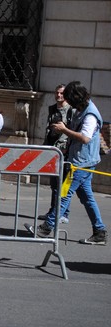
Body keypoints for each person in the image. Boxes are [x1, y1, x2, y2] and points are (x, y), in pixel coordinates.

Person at [37, 81, 107, 245]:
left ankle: (46, 228)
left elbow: (84, 138)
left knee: (64, 193)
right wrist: (64, 128)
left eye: (69, 98)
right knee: (87, 198)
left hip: (82, 163)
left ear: (76, 98)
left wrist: (65, 130)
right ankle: (100, 231)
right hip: (80, 160)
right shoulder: (83, 109)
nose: (67, 101)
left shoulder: (90, 115)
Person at [38, 84, 75, 223]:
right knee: (54, 184)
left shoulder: (71, 110)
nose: (59, 95)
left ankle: (64, 213)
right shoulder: (52, 109)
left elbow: (72, 130)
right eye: (57, 93)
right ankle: (53, 211)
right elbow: (48, 129)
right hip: (52, 149)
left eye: (61, 93)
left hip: (64, 150)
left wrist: (68, 147)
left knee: (63, 184)